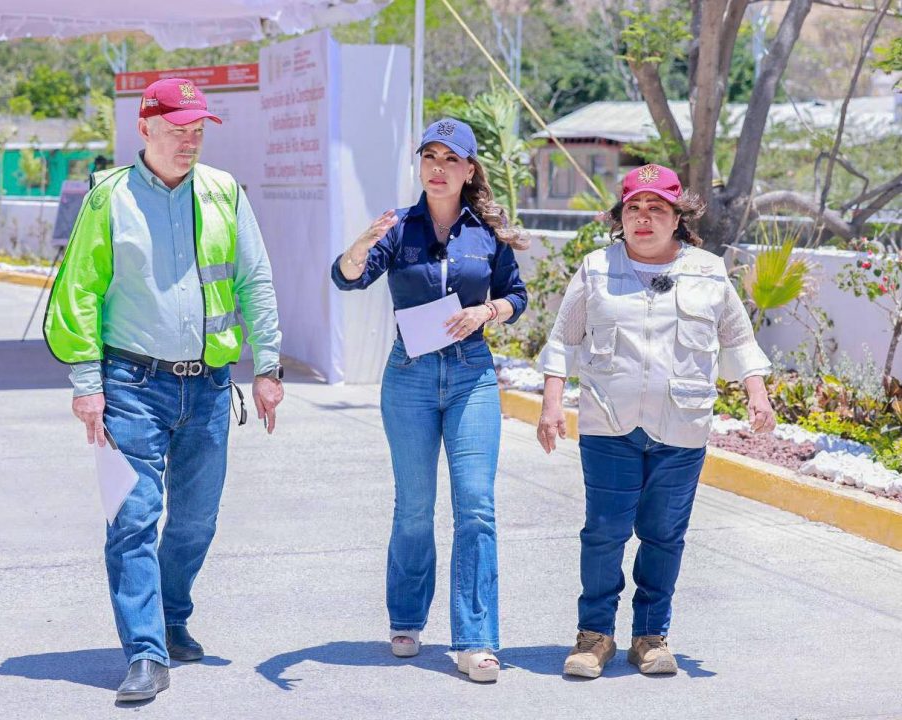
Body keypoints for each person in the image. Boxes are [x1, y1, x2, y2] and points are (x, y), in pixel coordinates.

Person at [44, 77, 284, 702]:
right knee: (132, 520)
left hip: (207, 387)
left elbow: (254, 279)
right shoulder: (108, 199)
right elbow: (80, 294)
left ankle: (173, 617)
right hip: (130, 385)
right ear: (144, 128)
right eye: (177, 130)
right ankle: (146, 652)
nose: (189, 141)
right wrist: (86, 382)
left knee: (195, 523)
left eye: (197, 130)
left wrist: (268, 366)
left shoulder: (224, 191)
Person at [536, 163, 775, 679]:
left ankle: (650, 636)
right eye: (633, 209)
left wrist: (757, 393)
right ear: (620, 218)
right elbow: (564, 339)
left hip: (682, 426)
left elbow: (737, 338)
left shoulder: (709, 271)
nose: (643, 219)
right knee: (604, 532)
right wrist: (552, 404)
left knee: (664, 534)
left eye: (656, 209)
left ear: (678, 217)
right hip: (608, 424)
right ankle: (594, 636)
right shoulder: (596, 267)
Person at [331, 118, 527, 683]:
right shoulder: (398, 227)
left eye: (450, 159)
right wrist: (363, 241)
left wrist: (486, 311)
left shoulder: (485, 232)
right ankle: (407, 618)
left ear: (469, 170)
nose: (437, 168)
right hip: (410, 378)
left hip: (471, 377)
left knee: (476, 507)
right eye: (429, 157)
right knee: (414, 508)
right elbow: (347, 279)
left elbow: (516, 295)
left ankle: (476, 640)